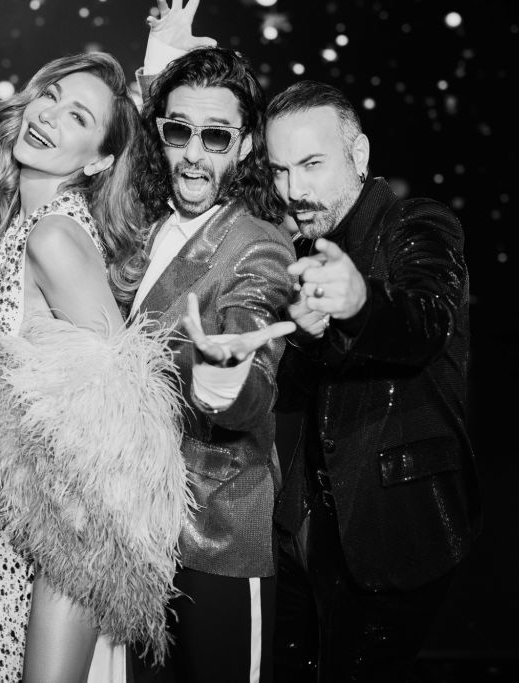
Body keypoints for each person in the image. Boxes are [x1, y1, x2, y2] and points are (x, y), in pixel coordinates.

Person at [0, 52, 193, 683]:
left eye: (79, 117)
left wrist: (78, 546)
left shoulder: (53, 236)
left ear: (99, 160)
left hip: (65, 528)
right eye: (51, 96)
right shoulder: (24, 223)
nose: (49, 116)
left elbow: (123, 405)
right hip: (17, 524)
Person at [267, 80, 482, 681]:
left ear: (358, 155)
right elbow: (298, 393)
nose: (295, 189)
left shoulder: (417, 222)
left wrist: (361, 302)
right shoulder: (300, 245)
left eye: (312, 164)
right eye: (281, 170)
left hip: (393, 528)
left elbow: (427, 320)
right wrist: (301, 337)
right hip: (301, 529)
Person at [130, 10, 297, 677]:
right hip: (138, 529)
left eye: (217, 136)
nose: (194, 154)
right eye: (179, 131)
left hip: (217, 532)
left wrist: (226, 378)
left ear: (246, 145)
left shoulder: (259, 243)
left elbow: (252, 358)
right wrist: (156, 68)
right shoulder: (146, 218)